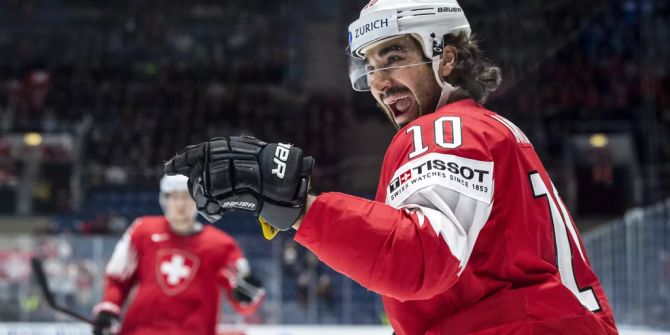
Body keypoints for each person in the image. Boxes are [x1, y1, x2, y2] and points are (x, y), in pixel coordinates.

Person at [164, 0, 618, 333]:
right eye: (371, 66)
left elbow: (422, 258)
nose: (380, 82)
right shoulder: (489, 129)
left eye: (395, 57)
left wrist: (299, 207)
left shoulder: (446, 130)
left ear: (447, 57)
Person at [92, 175, 264, 335]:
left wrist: (248, 295)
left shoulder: (222, 245)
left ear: (199, 201)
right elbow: (117, 279)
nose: (181, 204)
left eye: (187, 197)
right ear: (164, 199)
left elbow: (243, 302)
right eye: (174, 196)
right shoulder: (142, 231)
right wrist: (109, 309)